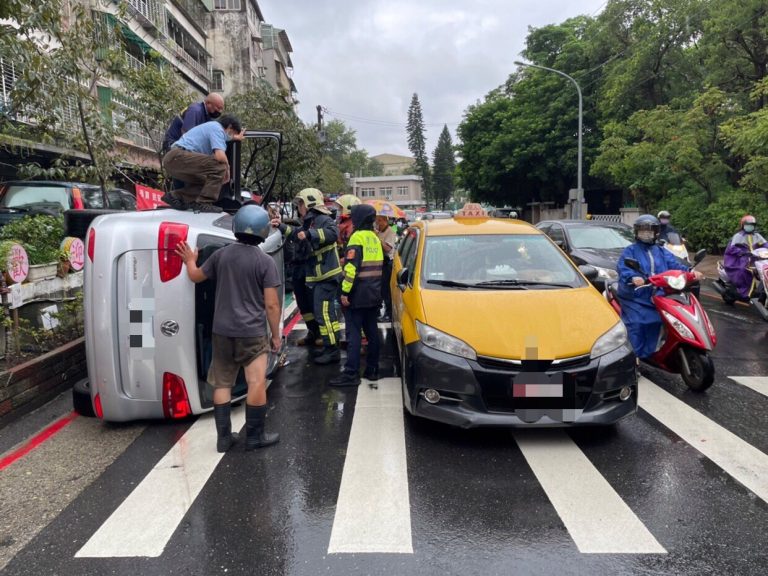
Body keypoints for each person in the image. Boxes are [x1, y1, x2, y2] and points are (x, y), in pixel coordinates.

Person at [174, 204, 281, 452]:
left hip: (221, 331)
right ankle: (255, 437)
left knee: (222, 384)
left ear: (236, 227)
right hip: (252, 333)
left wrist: (189, 260)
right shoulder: (265, 262)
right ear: (264, 231)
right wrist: (275, 336)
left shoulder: (221, 255)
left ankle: (223, 439)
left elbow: (195, 276)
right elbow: (272, 305)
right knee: (256, 382)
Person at [616, 214, 704, 359]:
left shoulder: (661, 251)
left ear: (656, 232)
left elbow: (675, 265)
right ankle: (633, 359)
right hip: (635, 296)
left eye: (649, 231)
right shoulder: (630, 250)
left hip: (657, 294)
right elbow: (623, 267)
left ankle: (650, 354)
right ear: (637, 232)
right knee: (637, 325)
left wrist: (691, 272)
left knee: (660, 321)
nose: (646, 234)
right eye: (643, 231)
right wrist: (633, 277)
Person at [272, 188, 343, 364]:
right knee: (319, 312)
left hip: (326, 275)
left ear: (309, 203)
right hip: (319, 276)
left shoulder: (324, 220)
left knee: (325, 314)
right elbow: (297, 234)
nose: (299, 207)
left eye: (301, 203)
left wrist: (310, 234)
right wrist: (280, 226)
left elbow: (333, 234)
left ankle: (332, 350)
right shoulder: (310, 222)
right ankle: (326, 344)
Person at [330, 204, 383, 387]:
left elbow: (351, 269)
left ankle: (351, 373)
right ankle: (372, 370)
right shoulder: (375, 238)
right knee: (372, 333)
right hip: (373, 294)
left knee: (353, 335)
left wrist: (345, 292)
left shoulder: (356, 237)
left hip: (357, 295)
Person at [161, 115, 245, 213]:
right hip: (178, 157)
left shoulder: (214, 129)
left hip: (176, 161)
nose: (230, 136)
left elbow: (227, 138)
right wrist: (227, 169)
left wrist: (236, 137)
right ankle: (204, 203)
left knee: (207, 183)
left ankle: (174, 196)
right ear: (229, 127)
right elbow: (219, 156)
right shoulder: (217, 128)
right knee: (220, 166)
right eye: (232, 133)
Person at [723, 215, 768, 300]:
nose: (750, 226)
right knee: (744, 270)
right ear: (743, 225)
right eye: (748, 224)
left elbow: (765, 244)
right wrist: (742, 252)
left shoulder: (757, 235)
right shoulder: (738, 236)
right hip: (739, 259)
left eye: (752, 225)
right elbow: (731, 248)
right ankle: (743, 292)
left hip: (754, 258)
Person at [375, 213, 396, 321]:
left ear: (385, 221)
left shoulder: (390, 232)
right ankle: (379, 311)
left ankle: (389, 313)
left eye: (379, 221)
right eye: (376, 221)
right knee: (380, 289)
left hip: (387, 263)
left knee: (386, 289)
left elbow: (388, 248)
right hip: (380, 262)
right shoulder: (379, 231)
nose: (377, 223)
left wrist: (378, 239)